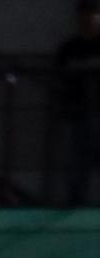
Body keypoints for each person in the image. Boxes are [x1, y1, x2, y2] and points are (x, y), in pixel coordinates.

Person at [56, 0, 100, 204]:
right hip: (79, 111)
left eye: (93, 14)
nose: (89, 18)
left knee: (80, 158)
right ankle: (76, 202)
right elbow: (59, 75)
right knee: (78, 161)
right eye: (86, 14)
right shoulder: (70, 47)